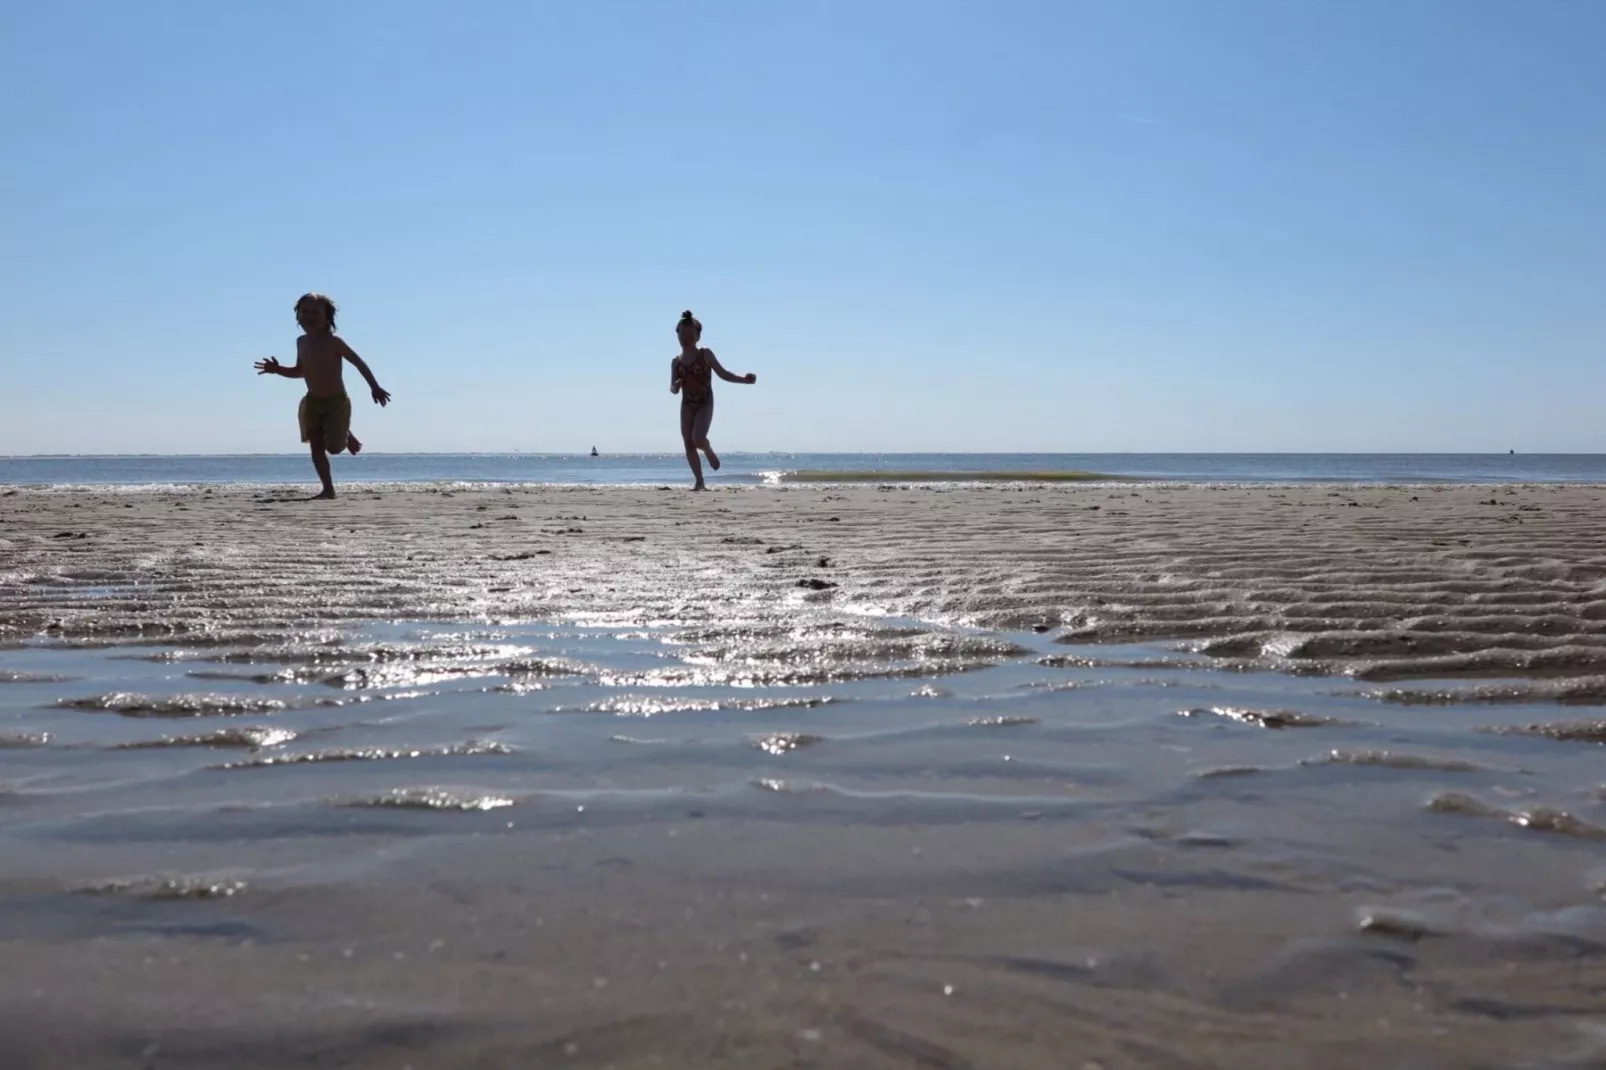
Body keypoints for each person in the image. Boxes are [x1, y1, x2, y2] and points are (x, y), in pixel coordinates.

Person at [254, 293, 391, 499]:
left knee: (334, 448)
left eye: (315, 312)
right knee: (316, 444)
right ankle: (328, 489)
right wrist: (278, 369)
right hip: (312, 402)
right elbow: (300, 371)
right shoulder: (301, 342)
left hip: (337, 403)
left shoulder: (334, 342)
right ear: (297, 316)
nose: (309, 316)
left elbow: (358, 362)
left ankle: (345, 434)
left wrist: (375, 386)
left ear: (327, 318)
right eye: (304, 311)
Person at [668, 310, 756, 490]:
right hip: (687, 404)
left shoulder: (705, 354)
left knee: (698, 439)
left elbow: (723, 373)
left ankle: (707, 448)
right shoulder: (675, 362)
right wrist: (676, 386)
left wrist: (743, 379)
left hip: (705, 402)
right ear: (677, 335)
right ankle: (699, 481)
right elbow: (672, 389)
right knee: (688, 443)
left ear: (698, 336)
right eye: (682, 334)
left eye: (690, 334)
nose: (685, 338)